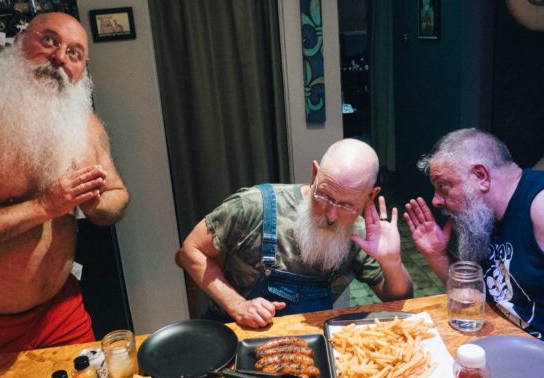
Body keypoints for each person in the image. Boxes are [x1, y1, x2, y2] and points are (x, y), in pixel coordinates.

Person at [0, 12, 130, 358]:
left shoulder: (85, 126)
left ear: (81, 72)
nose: (60, 57)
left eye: (74, 53)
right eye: (48, 40)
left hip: (62, 309)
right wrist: (43, 207)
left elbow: (118, 197)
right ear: (18, 43)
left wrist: (94, 204)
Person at [177, 139, 413, 328]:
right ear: (314, 174)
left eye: (347, 206)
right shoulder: (254, 206)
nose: (331, 215)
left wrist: (391, 261)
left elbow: (396, 301)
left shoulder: (359, 233)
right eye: (325, 196)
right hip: (232, 336)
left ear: (370, 197)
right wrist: (237, 304)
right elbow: (189, 251)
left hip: (307, 347)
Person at [404, 128, 544, 339]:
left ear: (481, 176)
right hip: (500, 338)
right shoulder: (484, 215)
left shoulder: (539, 207)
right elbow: (473, 294)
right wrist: (437, 255)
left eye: (443, 186)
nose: (436, 200)